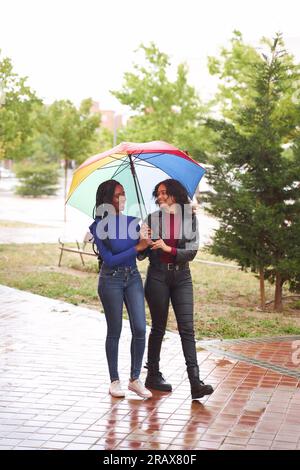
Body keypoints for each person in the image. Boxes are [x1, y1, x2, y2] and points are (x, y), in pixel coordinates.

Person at [139, 179, 214, 400]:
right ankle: (152, 375)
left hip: (182, 276)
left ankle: (195, 382)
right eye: (158, 193)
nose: (160, 197)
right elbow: (141, 254)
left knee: (187, 328)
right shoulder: (152, 219)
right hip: (157, 276)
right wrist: (142, 239)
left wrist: (167, 247)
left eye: (164, 193)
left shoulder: (190, 217)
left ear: (175, 194)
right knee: (158, 328)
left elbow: (191, 251)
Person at [89, 179, 152, 399]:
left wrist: (147, 240)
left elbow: (142, 254)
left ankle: (135, 379)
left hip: (133, 277)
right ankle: (114, 381)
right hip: (111, 280)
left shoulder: (133, 221)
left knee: (140, 328)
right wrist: (137, 246)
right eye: (118, 195)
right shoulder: (98, 226)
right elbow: (109, 258)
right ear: (107, 199)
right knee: (114, 330)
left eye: (124, 194)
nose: (123, 198)